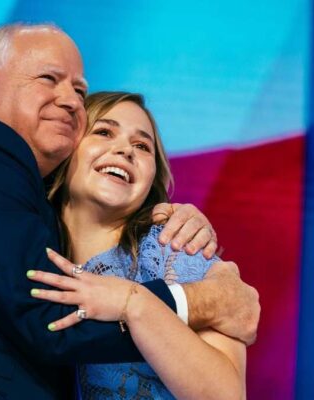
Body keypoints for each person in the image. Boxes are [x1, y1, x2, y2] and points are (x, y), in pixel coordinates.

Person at [0, 23, 258, 399]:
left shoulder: (175, 248)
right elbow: (45, 320)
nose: (69, 101)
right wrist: (199, 301)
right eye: (49, 78)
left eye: (80, 92)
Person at [27, 91, 246, 399]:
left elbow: (226, 395)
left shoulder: (178, 252)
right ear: (65, 149)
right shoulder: (25, 249)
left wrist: (133, 302)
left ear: (152, 179)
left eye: (142, 146)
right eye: (104, 132)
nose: (124, 150)